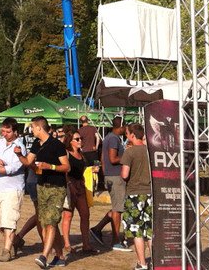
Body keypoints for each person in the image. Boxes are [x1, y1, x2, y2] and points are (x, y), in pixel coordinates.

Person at [15, 116, 69, 268]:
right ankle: (59, 256)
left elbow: (67, 167)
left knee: (51, 222)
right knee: (46, 223)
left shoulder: (57, 145)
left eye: (32, 127)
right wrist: (19, 155)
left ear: (39, 127)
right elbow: (28, 162)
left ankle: (44, 256)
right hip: (41, 187)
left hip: (56, 188)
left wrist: (50, 166)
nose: (31, 130)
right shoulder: (36, 144)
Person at [0, 118, 26, 262]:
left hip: (12, 189)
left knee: (9, 221)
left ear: (15, 132)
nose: (4, 134)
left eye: (8, 131)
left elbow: (15, 167)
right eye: (3, 131)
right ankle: (16, 241)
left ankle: (6, 251)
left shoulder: (19, 147)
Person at [90, 115, 127, 251]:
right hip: (115, 176)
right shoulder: (113, 139)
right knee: (118, 209)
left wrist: (105, 174)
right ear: (120, 126)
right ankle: (115, 240)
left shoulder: (109, 138)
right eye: (125, 126)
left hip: (111, 175)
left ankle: (97, 229)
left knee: (117, 207)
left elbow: (103, 158)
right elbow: (112, 158)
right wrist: (128, 155)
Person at [120, 123, 152, 270]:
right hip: (150, 192)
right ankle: (155, 261)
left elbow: (124, 174)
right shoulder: (150, 151)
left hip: (134, 193)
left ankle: (142, 263)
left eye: (127, 134)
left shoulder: (130, 152)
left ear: (132, 135)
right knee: (150, 230)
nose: (126, 136)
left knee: (137, 230)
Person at [60, 127, 97, 256]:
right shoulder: (66, 154)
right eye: (77, 139)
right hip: (69, 185)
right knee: (68, 215)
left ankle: (86, 244)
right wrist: (68, 184)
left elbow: (85, 168)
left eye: (80, 138)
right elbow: (64, 171)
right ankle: (67, 244)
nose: (80, 140)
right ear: (70, 141)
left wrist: (93, 169)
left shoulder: (82, 154)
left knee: (85, 214)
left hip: (80, 186)